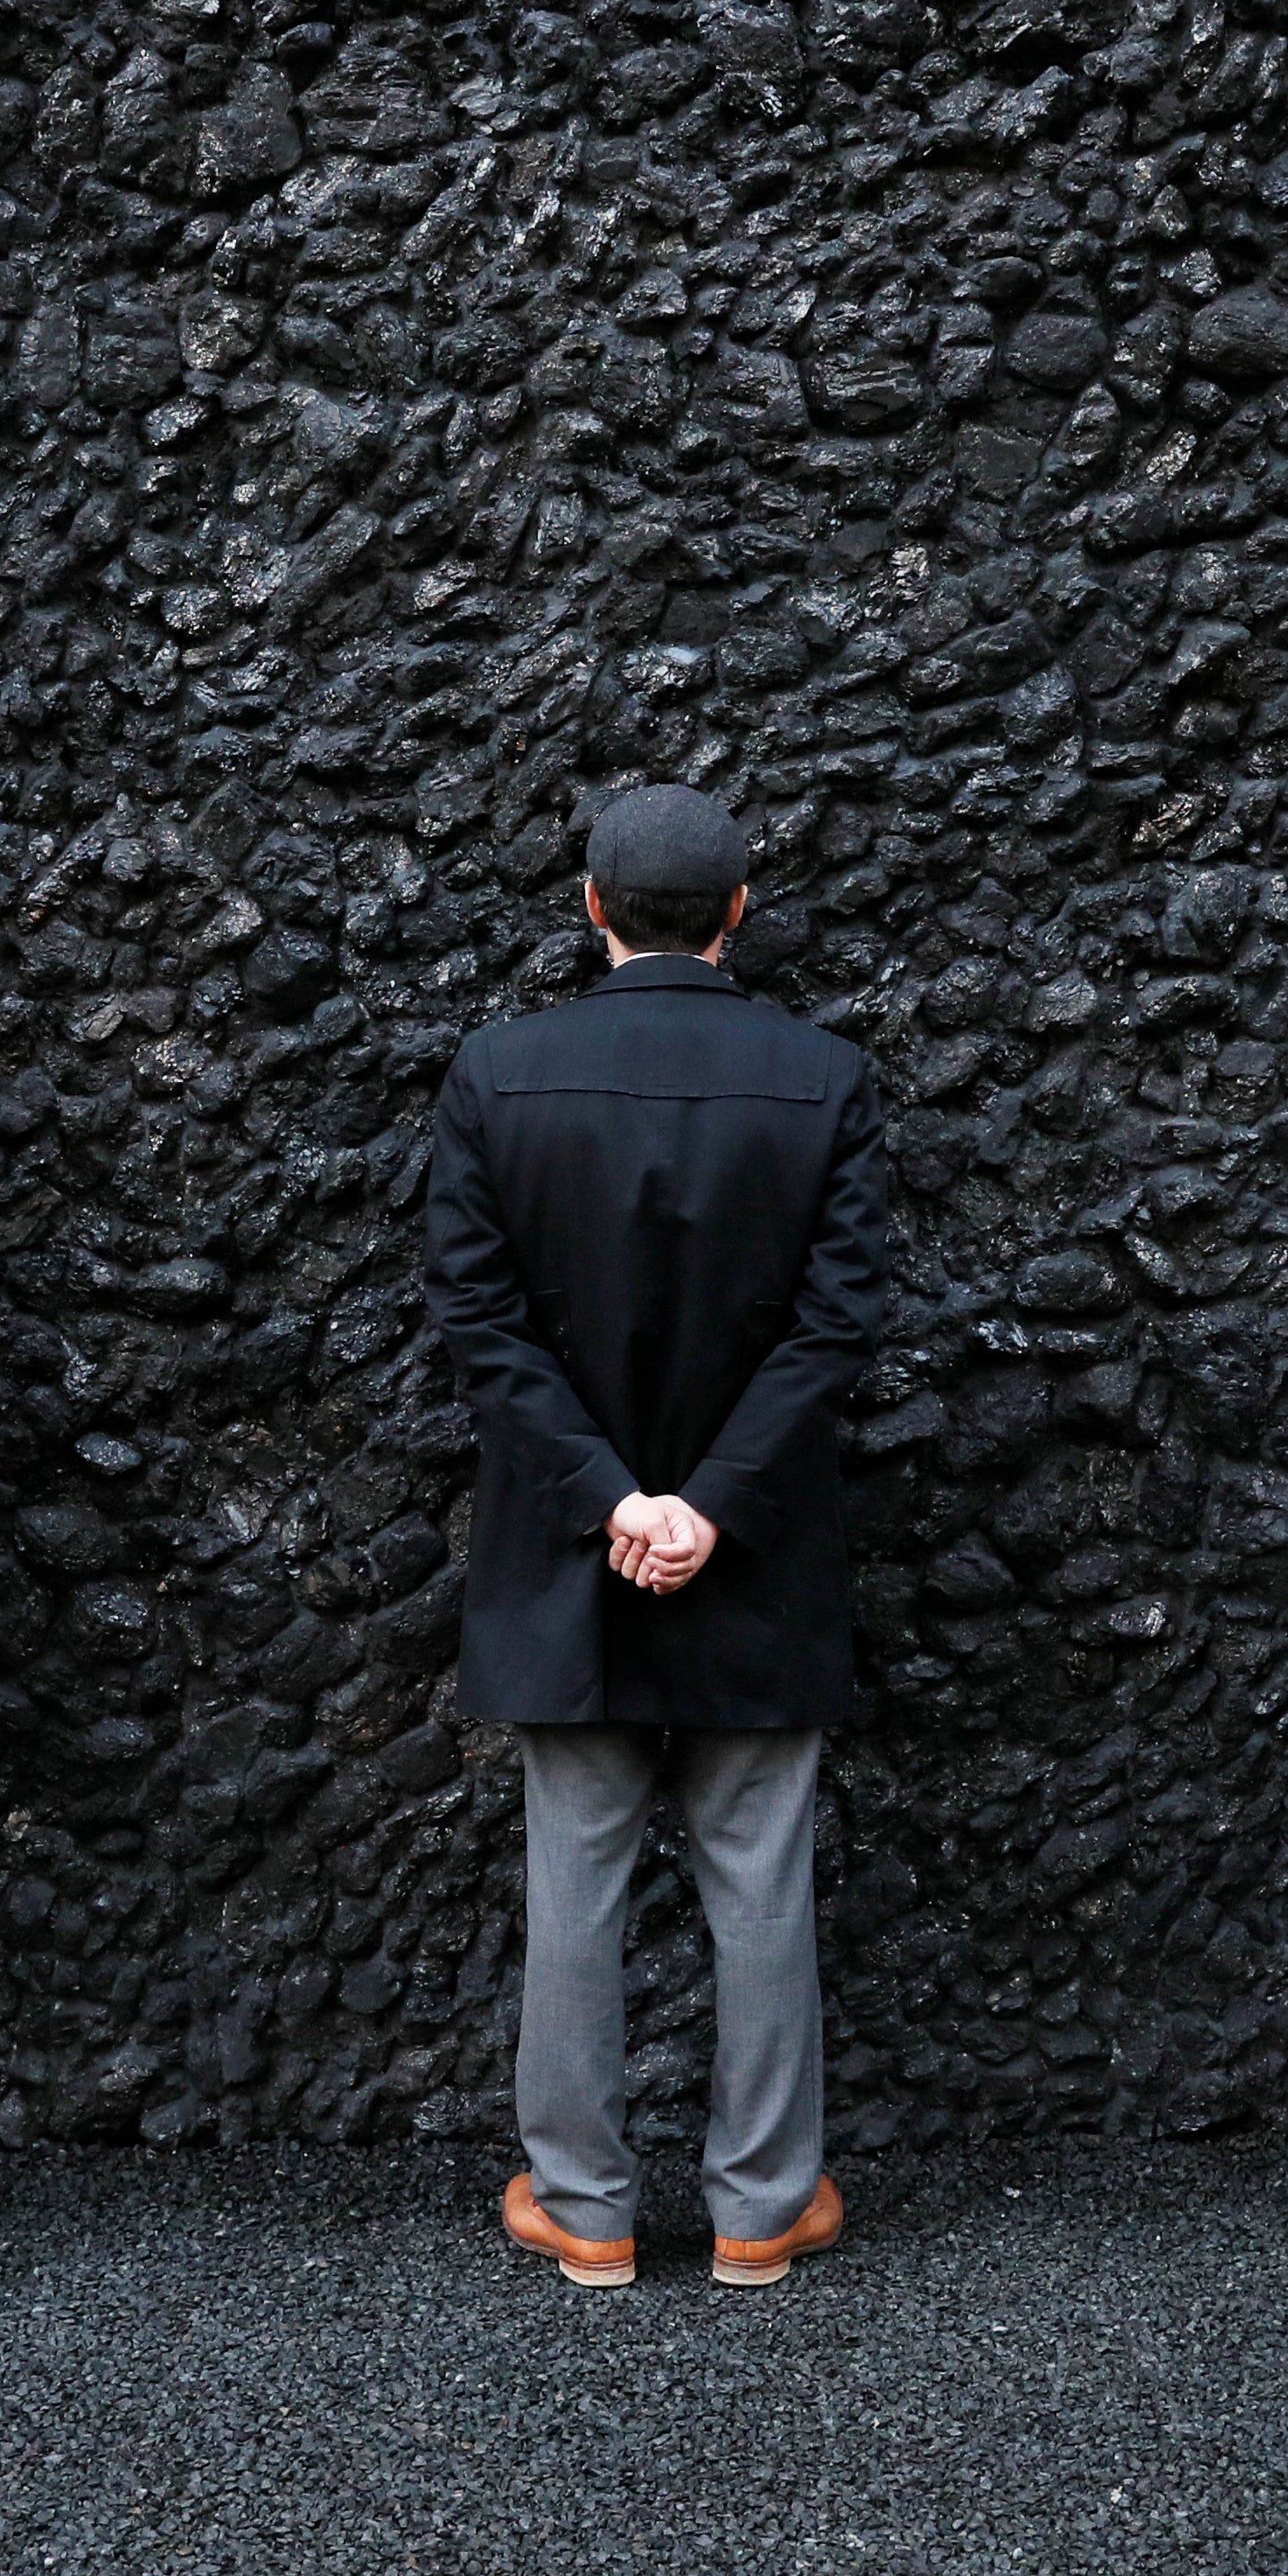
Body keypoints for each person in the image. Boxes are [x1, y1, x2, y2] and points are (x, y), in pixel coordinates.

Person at [425, 784, 889, 2291]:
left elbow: (482, 1330)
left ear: (592, 906)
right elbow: (836, 1332)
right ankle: (762, 2205)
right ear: (740, 910)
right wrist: (710, 1502)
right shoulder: (824, 1078)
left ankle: (588, 2206)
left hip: (573, 1555)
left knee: (575, 1876)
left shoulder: (500, 1075)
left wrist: (613, 1501)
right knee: (761, 1879)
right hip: (757, 1551)